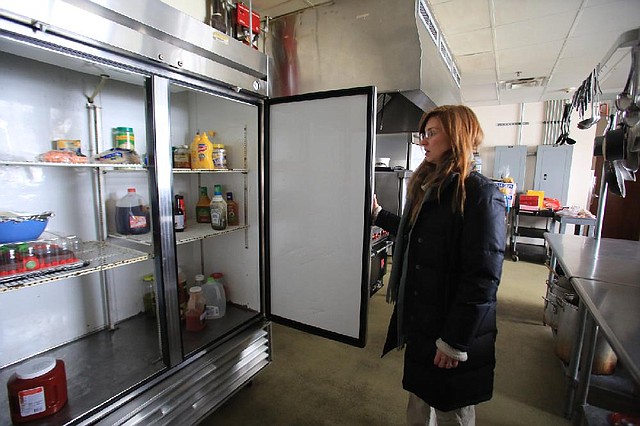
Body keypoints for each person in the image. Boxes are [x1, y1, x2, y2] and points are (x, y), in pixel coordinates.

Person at [372, 105, 506, 426]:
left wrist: (455, 342)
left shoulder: (479, 195)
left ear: (457, 136)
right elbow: (417, 232)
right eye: (423, 135)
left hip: (452, 326)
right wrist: (378, 214)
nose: (424, 141)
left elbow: (482, 278)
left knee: (451, 408)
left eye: (432, 133)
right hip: (423, 320)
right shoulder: (432, 186)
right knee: (419, 399)